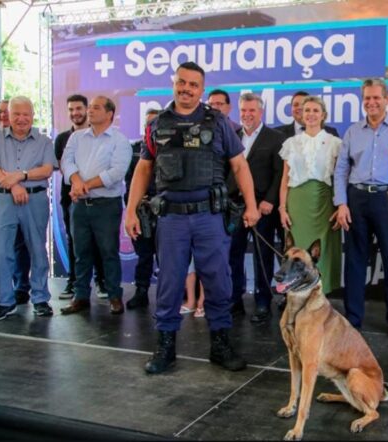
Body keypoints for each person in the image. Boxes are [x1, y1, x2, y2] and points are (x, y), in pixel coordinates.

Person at [125, 61, 259, 375]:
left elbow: (240, 166)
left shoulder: (219, 122)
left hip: (209, 216)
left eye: (193, 85)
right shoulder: (157, 124)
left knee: (218, 281)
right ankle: (165, 347)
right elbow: (144, 169)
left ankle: (220, 344)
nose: (186, 89)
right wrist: (130, 210)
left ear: (201, 89)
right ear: (174, 84)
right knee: (170, 283)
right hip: (170, 218)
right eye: (181, 83)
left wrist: (251, 206)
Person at [331, 78, 388, 341]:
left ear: (387, 99)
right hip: (357, 199)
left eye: (377, 97)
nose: (372, 102)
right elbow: (342, 168)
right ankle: (352, 319)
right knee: (354, 261)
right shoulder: (353, 131)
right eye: (367, 98)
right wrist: (341, 203)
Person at [0, 96, 57, 321]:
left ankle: (40, 298)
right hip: (1, 200)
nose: (21, 119)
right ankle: (5, 300)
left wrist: (22, 176)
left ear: (33, 116)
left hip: (35, 200)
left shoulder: (44, 141)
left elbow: (46, 170)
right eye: (16, 114)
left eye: (26, 114)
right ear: (8, 116)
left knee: (38, 249)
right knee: (0, 251)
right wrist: (14, 185)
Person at [60, 96, 132, 316]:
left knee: (108, 251)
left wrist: (85, 185)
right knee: (80, 252)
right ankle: (80, 296)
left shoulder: (119, 140)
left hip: (106, 205)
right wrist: (76, 182)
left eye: (96, 107)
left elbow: (116, 172)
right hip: (80, 205)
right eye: (89, 107)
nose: (90, 111)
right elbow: (66, 161)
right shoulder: (76, 137)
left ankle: (114, 296)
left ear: (109, 113)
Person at [228, 93, 284, 323]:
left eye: (252, 110)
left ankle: (263, 302)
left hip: (263, 207)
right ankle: (235, 300)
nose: (247, 115)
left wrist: (270, 200)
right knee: (233, 255)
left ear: (261, 112)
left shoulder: (275, 138)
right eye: (243, 111)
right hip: (235, 206)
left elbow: (280, 173)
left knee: (263, 256)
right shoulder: (232, 136)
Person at [278, 96, 342, 295]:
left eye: (315, 110)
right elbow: (284, 180)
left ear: (323, 115)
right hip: (297, 204)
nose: (311, 114)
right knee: (296, 249)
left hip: (324, 203)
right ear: (301, 114)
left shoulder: (335, 143)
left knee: (322, 250)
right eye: (307, 110)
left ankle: (321, 299)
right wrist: (282, 208)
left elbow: (340, 177)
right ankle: (295, 293)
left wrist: (340, 206)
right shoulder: (291, 143)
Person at [54, 94, 107, 300]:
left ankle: (102, 282)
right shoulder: (62, 139)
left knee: (100, 240)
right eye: (71, 109)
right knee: (74, 240)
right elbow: (63, 166)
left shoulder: (101, 137)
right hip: (71, 197)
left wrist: (87, 184)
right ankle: (74, 282)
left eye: (79, 108)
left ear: (87, 110)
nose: (75, 113)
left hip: (98, 197)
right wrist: (77, 184)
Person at [125, 108, 160, 310]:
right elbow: (130, 184)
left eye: (155, 123)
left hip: (166, 211)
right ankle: (141, 291)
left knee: (168, 258)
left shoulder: (171, 149)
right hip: (142, 213)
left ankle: (171, 294)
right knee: (144, 255)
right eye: (148, 124)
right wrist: (135, 207)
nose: (151, 127)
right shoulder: (136, 150)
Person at [274, 91, 340, 138]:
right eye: (295, 105)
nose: (299, 108)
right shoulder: (277, 133)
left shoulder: (330, 133)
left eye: (303, 105)